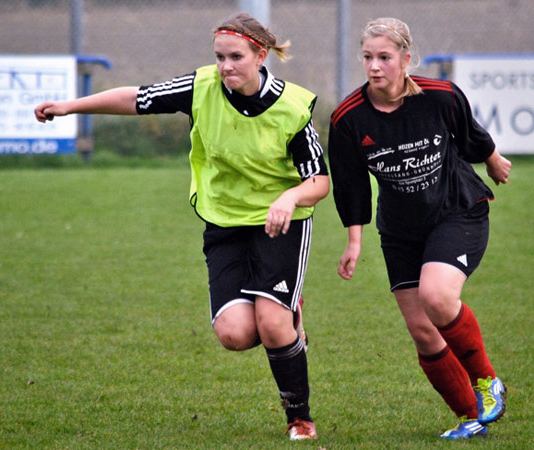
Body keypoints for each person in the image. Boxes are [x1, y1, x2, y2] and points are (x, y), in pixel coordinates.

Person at [35, 12, 329, 441]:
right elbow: (136, 98)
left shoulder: (293, 107)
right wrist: (70, 107)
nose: (225, 66)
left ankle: (299, 418)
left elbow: (319, 182)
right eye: (219, 57)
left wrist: (289, 197)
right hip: (223, 220)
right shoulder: (201, 87)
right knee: (234, 334)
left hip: (279, 224)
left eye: (235, 57)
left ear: (260, 56)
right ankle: (289, 317)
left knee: (271, 324)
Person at [327, 17, 511, 440]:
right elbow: (351, 185)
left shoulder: (439, 96)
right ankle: (471, 417)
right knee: (423, 332)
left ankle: (487, 381)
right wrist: (354, 241)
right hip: (400, 230)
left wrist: (493, 160)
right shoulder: (348, 118)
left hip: (457, 210)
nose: (374, 66)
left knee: (437, 296)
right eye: (368, 57)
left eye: (384, 57)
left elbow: (471, 135)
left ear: (406, 59)